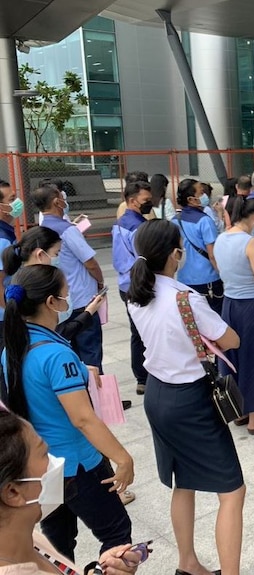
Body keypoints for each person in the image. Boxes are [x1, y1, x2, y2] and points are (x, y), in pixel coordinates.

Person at [127, 220, 245, 575]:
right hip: (190, 399)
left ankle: (188, 563)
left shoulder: (137, 295)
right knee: (232, 491)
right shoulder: (185, 299)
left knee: (184, 482)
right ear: (175, 254)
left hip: (158, 394)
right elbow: (231, 340)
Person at [1, 265, 135, 561]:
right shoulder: (57, 354)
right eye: (65, 295)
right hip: (79, 465)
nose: (67, 301)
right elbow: (83, 419)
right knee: (116, 534)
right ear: (51, 303)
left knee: (59, 544)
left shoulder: (12, 348)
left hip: (41, 467)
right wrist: (123, 458)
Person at [0, 409, 143, 575]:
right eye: (45, 453)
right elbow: (82, 415)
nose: (57, 461)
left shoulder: (26, 538)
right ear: (12, 492)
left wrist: (97, 571)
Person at [213, 196, 254, 435]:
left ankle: (239, 410)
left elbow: (223, 268)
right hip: (253, 305)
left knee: (234, 357)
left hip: (230, 305)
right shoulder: (250, 242)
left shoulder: (221, 238)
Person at [34, 186, 106, 380]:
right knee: (90, 353)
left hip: (61, 301)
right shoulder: (67, 230)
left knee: (71, 353)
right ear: (57, 202)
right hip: (83, 301)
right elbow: (90, 263)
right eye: (61, 195)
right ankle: (100, 400)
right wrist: (100, 283)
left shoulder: (41, 229)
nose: (65, 199)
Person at [112, 181, 153, 396]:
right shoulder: (139, 227)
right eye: (146, 201)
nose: (149, 204)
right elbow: (144, 259)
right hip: (139, 284)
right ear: (131, 201)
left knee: (136, 332)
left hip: (124, 283)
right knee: (146, 330)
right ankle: (148, 375)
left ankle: (141, 377)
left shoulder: (119, 223)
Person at [174, 179, 223, 314]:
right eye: (201, 193)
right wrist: (222, 274)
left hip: (184, 279)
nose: (204, 196)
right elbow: (212, 255)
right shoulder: (205, 221)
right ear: (191, 199)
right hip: (208, 280)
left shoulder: (175, 220)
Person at [0, 181, 22, 346]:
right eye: (12, 199)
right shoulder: (2, 239)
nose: (17, 203)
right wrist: (10, 315)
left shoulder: (6, 232)